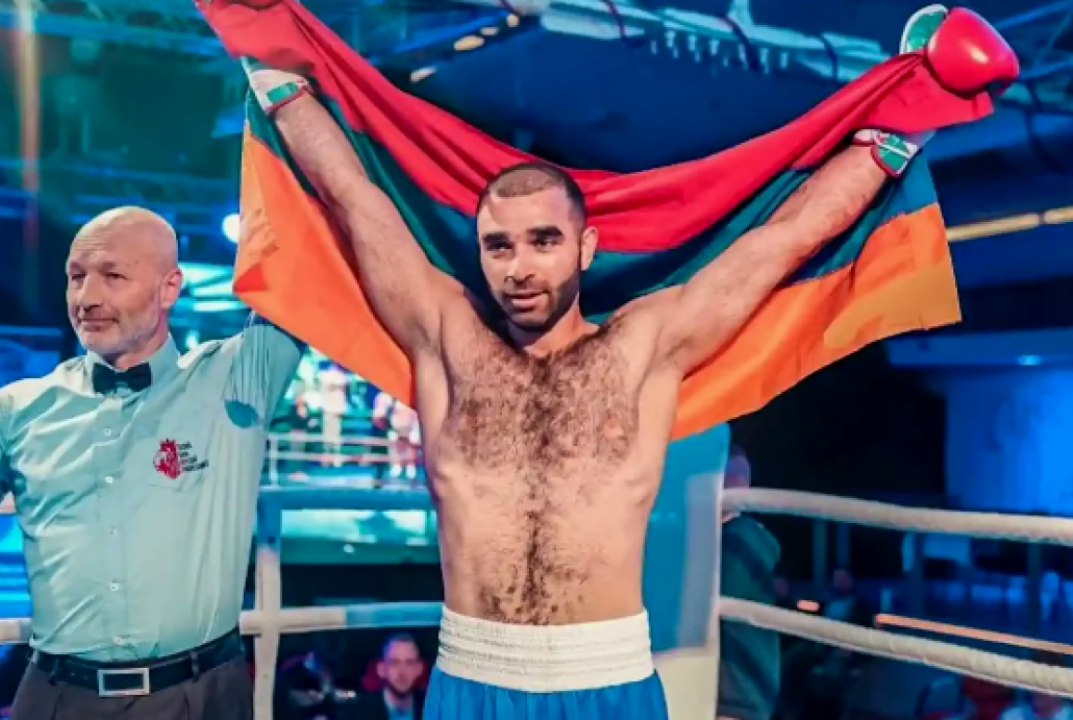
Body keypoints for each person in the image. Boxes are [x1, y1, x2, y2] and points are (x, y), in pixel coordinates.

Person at [240, 6, 1003, 718]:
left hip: (606, 680)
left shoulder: (643, 345)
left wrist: (908, 121)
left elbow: (781, 243)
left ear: (586, 247)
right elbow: (355, 198)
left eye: (543, 241)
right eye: (498, 246)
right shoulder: (447, 336)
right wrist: (269, 62)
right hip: (474, 678)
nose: (519, 267)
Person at [0, 207, 305, 719]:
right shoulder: (16, 411)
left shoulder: (237, 378)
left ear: (169, 288)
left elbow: (303, 260)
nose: (86, 298)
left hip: (202, 694)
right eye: (76, 277)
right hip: (60, 695)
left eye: (113, 276)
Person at [716, 444, 781, 720]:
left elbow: (716, 589)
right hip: (728, 690)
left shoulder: (744, 538)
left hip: (737, 694)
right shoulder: (719, 537)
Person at [347, 635, 427, 720]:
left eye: (409, 663)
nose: (402, 672)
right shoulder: (356, 714)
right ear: (381, 669)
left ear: (419, 669)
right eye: (394, 663)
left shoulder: (433, 708)